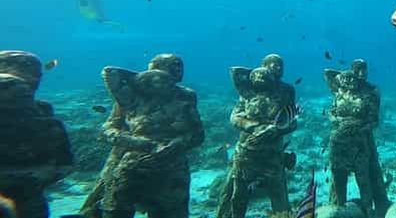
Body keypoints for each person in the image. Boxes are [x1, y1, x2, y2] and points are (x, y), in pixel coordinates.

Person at [85, 54, 204, 218]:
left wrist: (177, 144)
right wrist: (137, 142)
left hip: (172, 168)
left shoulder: (186, 96)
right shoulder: (131, 96)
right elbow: (107, 129)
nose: (178, 70)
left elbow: (196, 133)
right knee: (111, 208)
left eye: (180, 65)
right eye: (172, 65)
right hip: (130, 163)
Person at [217, 54, 297, 218]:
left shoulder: (287, 91)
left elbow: (293, 120)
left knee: (279, 196)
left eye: (280, 65)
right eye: (272, 64)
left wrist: (275, 130)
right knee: (237, 196)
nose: (277, 68)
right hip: (247, 153)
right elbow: (235, 116)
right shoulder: (248, 91)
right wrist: (253, 127)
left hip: (273, 154)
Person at [0, 51, 73, 218]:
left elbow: (63, 163)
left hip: (30, 198)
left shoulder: (44, 114)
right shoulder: (44, 115)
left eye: (36, 74)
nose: (34, 80)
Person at [323, 59, 390, 217]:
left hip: (361, 142)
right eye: (357, 70)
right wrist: (339, 123)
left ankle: (369, 209)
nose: (362, 74)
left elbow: (374, 121)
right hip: (339, 142)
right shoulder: (340, 91)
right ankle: (337, 207)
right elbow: (331, 112)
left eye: (364, 69)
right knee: (338, 175)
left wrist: (357, 128)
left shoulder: (371, 91)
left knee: (365, 175)